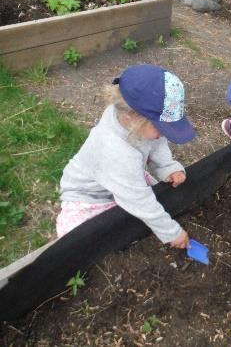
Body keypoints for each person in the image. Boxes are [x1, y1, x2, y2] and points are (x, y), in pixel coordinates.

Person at [57, 65, 195, 249]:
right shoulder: (116, 151)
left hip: (122, 176)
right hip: (89, 196)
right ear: (132, 117)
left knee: (144, 201)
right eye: (161, 128)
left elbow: (157, 142)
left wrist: (167, 167)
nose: (164, 134)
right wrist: (171, 232)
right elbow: (138, 198)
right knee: (77, 241)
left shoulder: (131, 120)